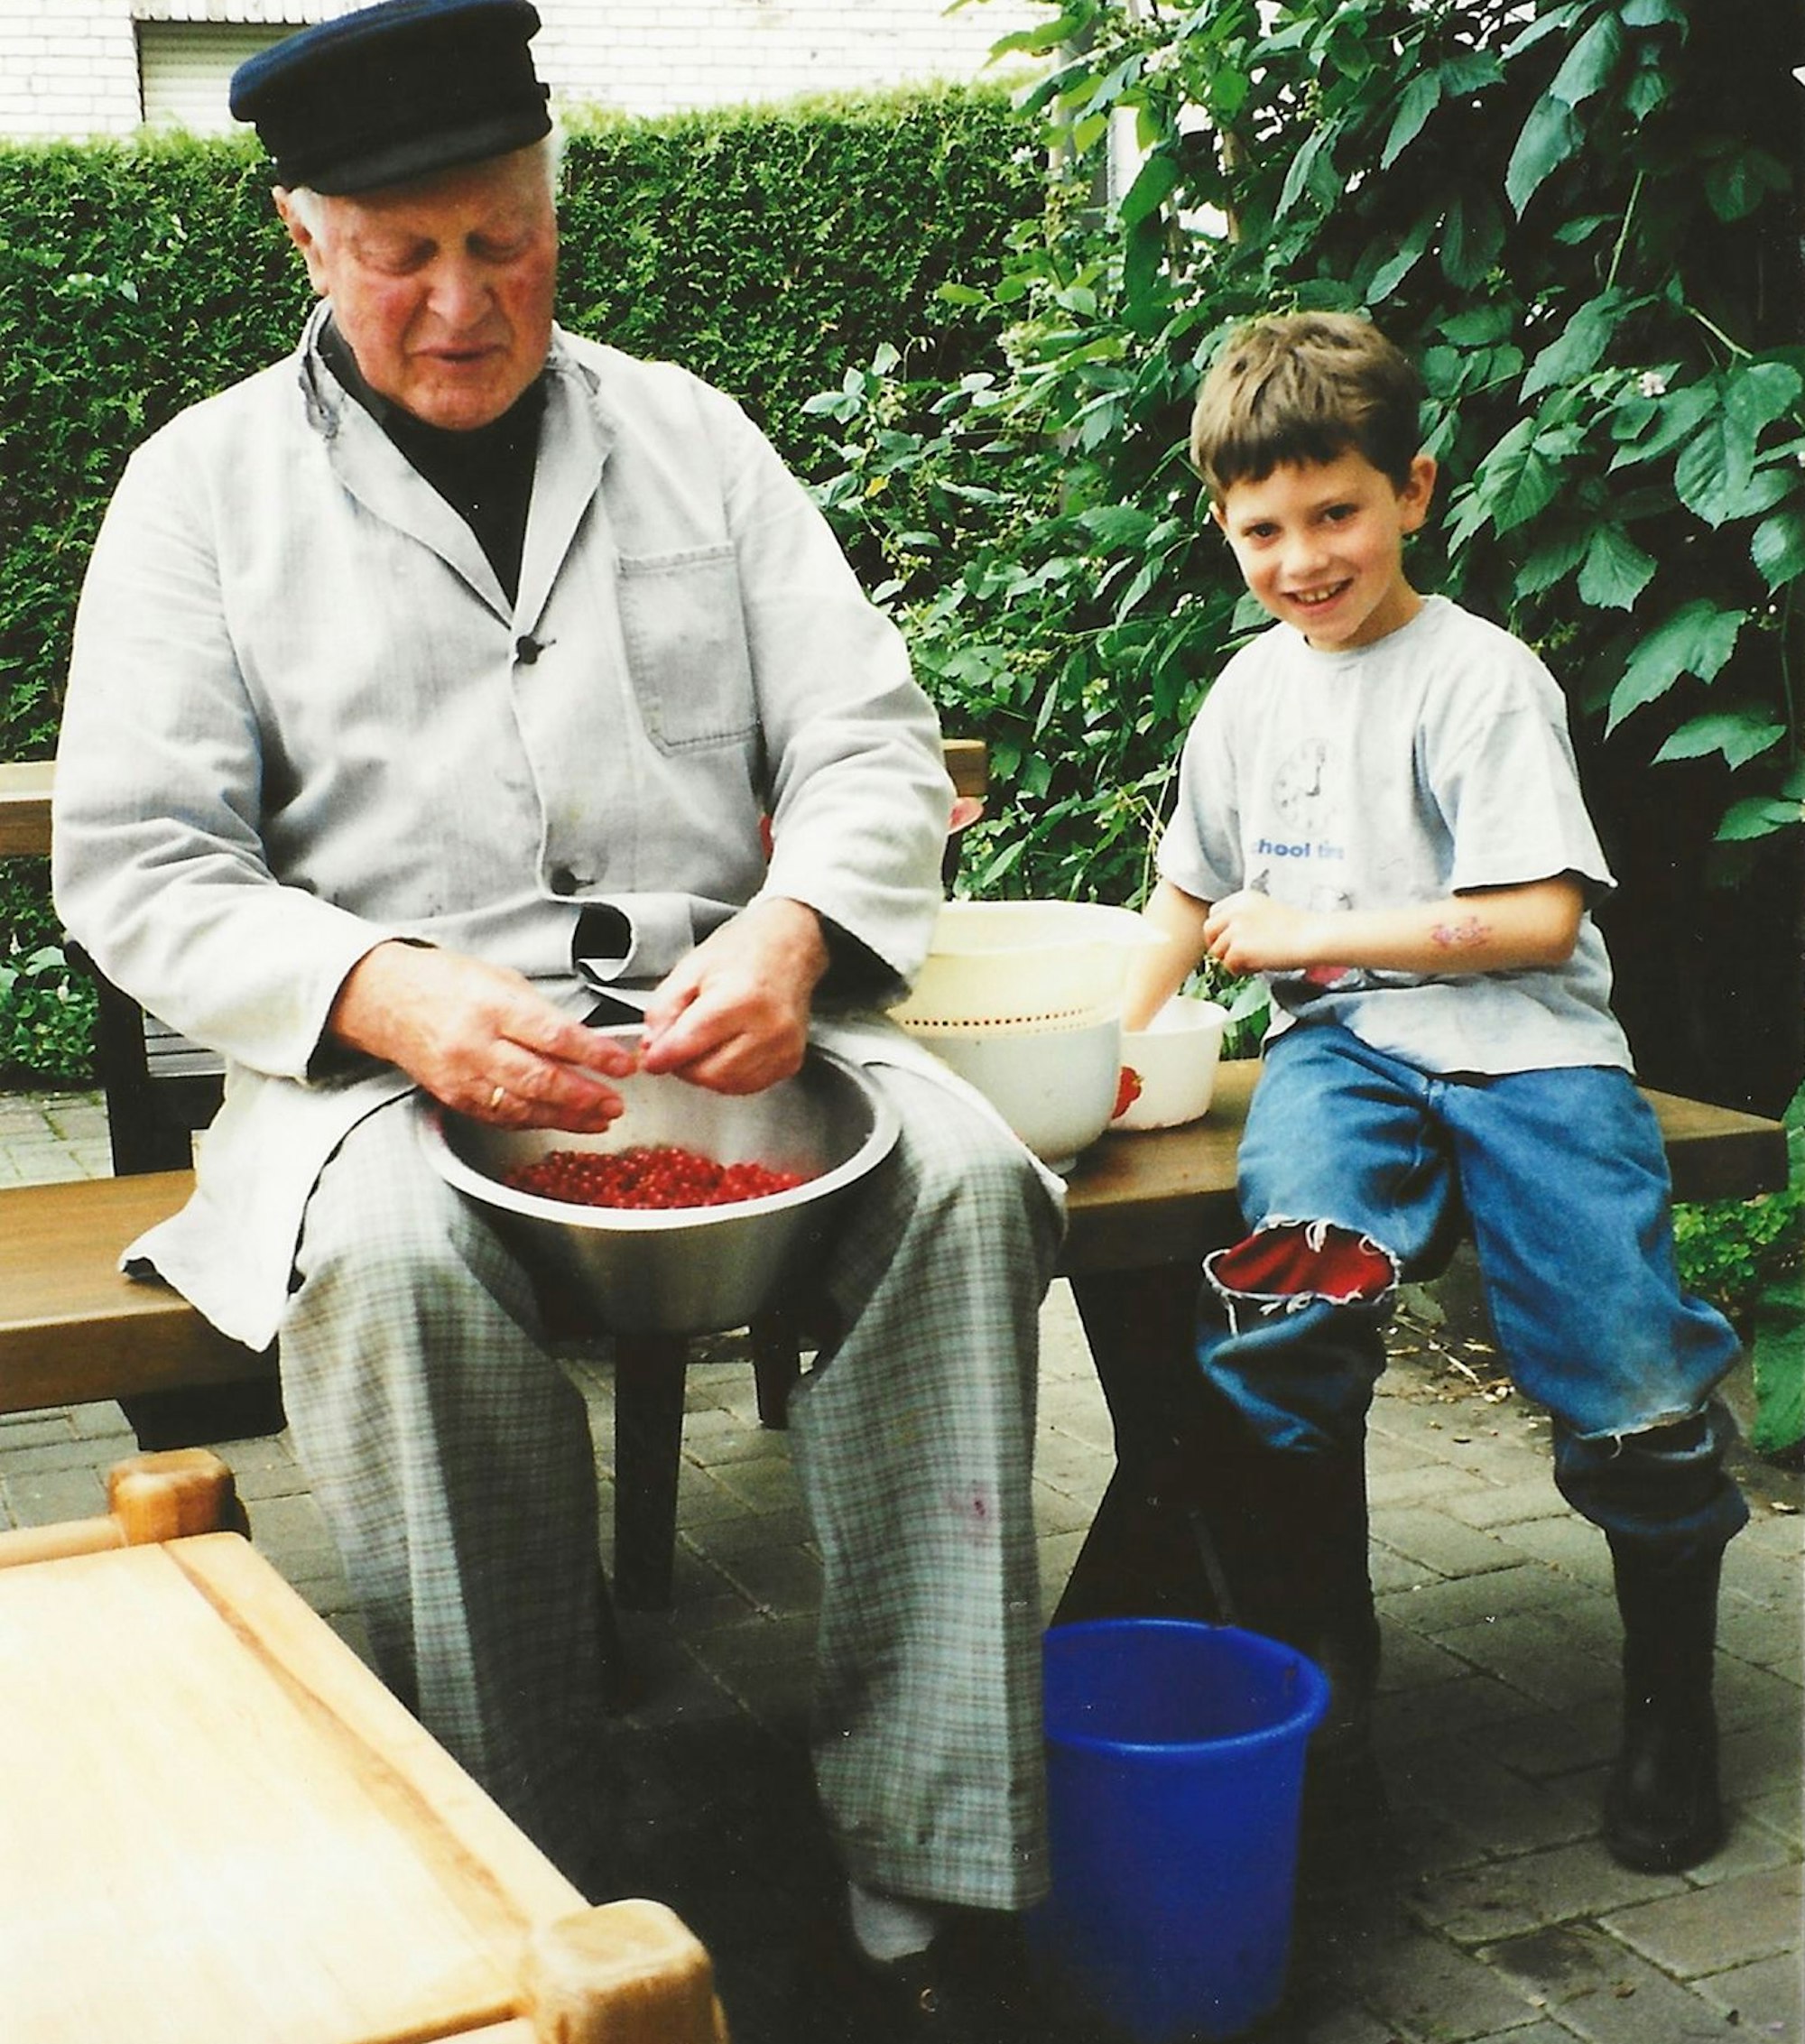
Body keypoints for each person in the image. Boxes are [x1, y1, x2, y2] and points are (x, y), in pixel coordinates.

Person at [51, 3, 1061, 2031]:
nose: (462, 301)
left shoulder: (696, 437)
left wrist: (798, 927)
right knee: (400, 1268)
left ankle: (932, 1870)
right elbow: (137, 858)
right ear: (303, 237)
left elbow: (869, 743)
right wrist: (369, 982)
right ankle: (538, 1890)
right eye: (403, 253)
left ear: (553, 208)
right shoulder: (200, 492)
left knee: (964, 1179)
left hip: (725, 1032)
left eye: (501, 240)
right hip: (375, 1067)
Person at [1121, 310, 1747, 1873]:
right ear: (1224, 527)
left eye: (1336, 512)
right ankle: (1326, 1700)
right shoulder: (1244, 696)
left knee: (1629, 1365)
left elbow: (1538, 919)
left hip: (1532, 1052)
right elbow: (1184, 894)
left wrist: (1313, 933)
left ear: (1413, 489)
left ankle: (1671, 1705)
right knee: (1283, 1310)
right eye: (1264, 530)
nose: (1303, 558)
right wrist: (1103, 1045)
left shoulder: (1481, 679)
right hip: (1342, 1059)